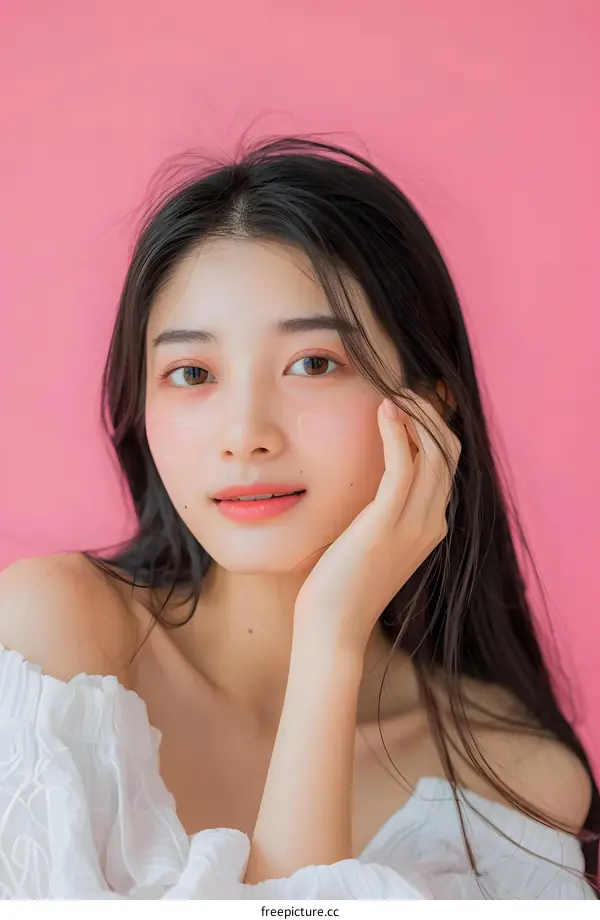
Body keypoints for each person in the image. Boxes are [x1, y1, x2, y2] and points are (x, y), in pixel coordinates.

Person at [0, 136, 597, 901]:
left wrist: (331, 641)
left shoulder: (510, 783)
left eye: (314, 363)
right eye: (192, 374)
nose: (245, 432)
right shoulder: (52, 648)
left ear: (430, 406)